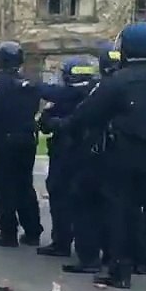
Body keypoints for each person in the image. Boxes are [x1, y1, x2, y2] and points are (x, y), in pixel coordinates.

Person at [62, 22, 146, 290]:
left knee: (118, 212)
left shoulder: (117, 81)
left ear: (126, 47)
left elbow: (87, 115)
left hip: (120, 155)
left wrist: (69, 128)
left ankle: (118, 270)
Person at [0, 41, 44, 247]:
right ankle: (32, 230)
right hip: (26, 140)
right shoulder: (28, 83)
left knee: (3, 187)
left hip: (3, 141)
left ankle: (8, 232)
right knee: (24, 185)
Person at [64, 43, 120, 274]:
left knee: (86, 204)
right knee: (117, 206)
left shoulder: (103, 88)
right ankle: (116, 256)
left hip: (97, 152)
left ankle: (89, 258)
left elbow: (82, 116)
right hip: (126, 154)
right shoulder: (140, 84)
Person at [34, 57, 97, 258]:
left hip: (66, 151)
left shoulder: (66, 95)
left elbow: (46, 121)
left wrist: (55, 122)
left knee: (61, 195)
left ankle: (62, 242)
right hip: (91, 154)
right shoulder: (96, 90)